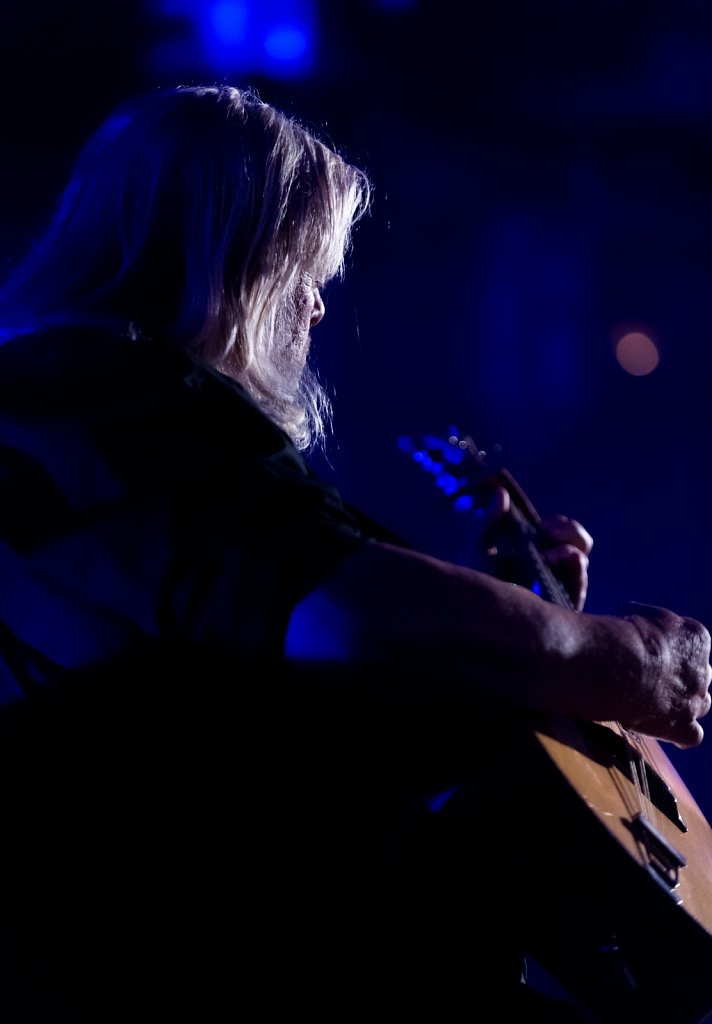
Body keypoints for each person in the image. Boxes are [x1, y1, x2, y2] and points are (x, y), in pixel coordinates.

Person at [0, 83, 709, 1024]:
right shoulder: (95, 401)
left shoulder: (122, 421)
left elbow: (255, 652)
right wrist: (623, 661)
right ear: (236, 259)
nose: (319, 313)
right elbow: (349, 613)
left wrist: (500, 612)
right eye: (310, 276)